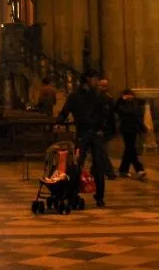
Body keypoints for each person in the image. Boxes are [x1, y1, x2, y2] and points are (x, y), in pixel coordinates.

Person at [58, 71, 114, 207]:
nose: (97, 82)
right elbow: (106, 114)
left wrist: (59, 121)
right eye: (95, 79)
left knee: (90, 165)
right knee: (82, 165)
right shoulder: (90, 96)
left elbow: (106, 114)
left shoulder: (84, 96)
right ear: (88, 80)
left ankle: (84, 195)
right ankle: (92, 196)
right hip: (88, 133)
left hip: (88, 133)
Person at [115, 89, 146, 178]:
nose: (129, 97)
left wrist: (141, 127)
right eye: (127, 95)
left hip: (134, 128)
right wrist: (122, 99)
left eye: (130, 95)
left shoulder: (135, 103)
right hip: (126, 129)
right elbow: (121, 110)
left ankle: (123, 170)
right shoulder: (121, 104)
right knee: (131, 149)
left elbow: (137, 114)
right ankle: (139, 169)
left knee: (129, 149)